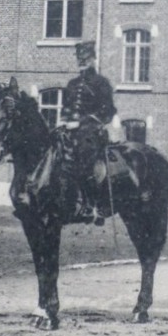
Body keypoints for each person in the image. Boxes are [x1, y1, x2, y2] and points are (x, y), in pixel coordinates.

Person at [57, 39, 116, 222]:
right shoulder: (72, 84)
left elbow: (108, 111)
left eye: (86, 57)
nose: (82, 61)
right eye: (80, 58)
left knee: (85, 154)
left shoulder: (101, 83)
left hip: (91, 131)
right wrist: (64, 120)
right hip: (70, 129)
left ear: (93, 59)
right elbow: (66, 108)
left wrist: (85, 121)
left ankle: (92, 203)